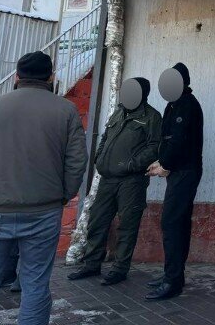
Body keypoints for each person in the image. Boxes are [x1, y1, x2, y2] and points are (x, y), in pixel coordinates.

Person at [0, 51, 87, 325]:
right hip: (44, 211)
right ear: (51, 77)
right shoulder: (65, 110)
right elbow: (77, 162)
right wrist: (63, 195)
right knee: (36, 285)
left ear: (17, 76)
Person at [68, 77, 161, 286]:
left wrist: (131, 164)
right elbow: (105, 137)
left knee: (127, 225)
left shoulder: (152, 117)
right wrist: (99, 159)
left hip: (132, 181)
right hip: (108, 179)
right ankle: (92, 264)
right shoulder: (118, 112)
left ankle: (120, 269)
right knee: (97, 221)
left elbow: (155, 147)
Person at [145, 63, 203, 301]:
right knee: (176, 224)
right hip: (178, 171)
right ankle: (173, 275)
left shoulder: (186, 104)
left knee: (172, 224)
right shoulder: (174, 104)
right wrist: (161, 161)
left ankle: (173, 281)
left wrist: (165, 165)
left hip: (185, 172)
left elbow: (178, 141)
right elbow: (168, 140)